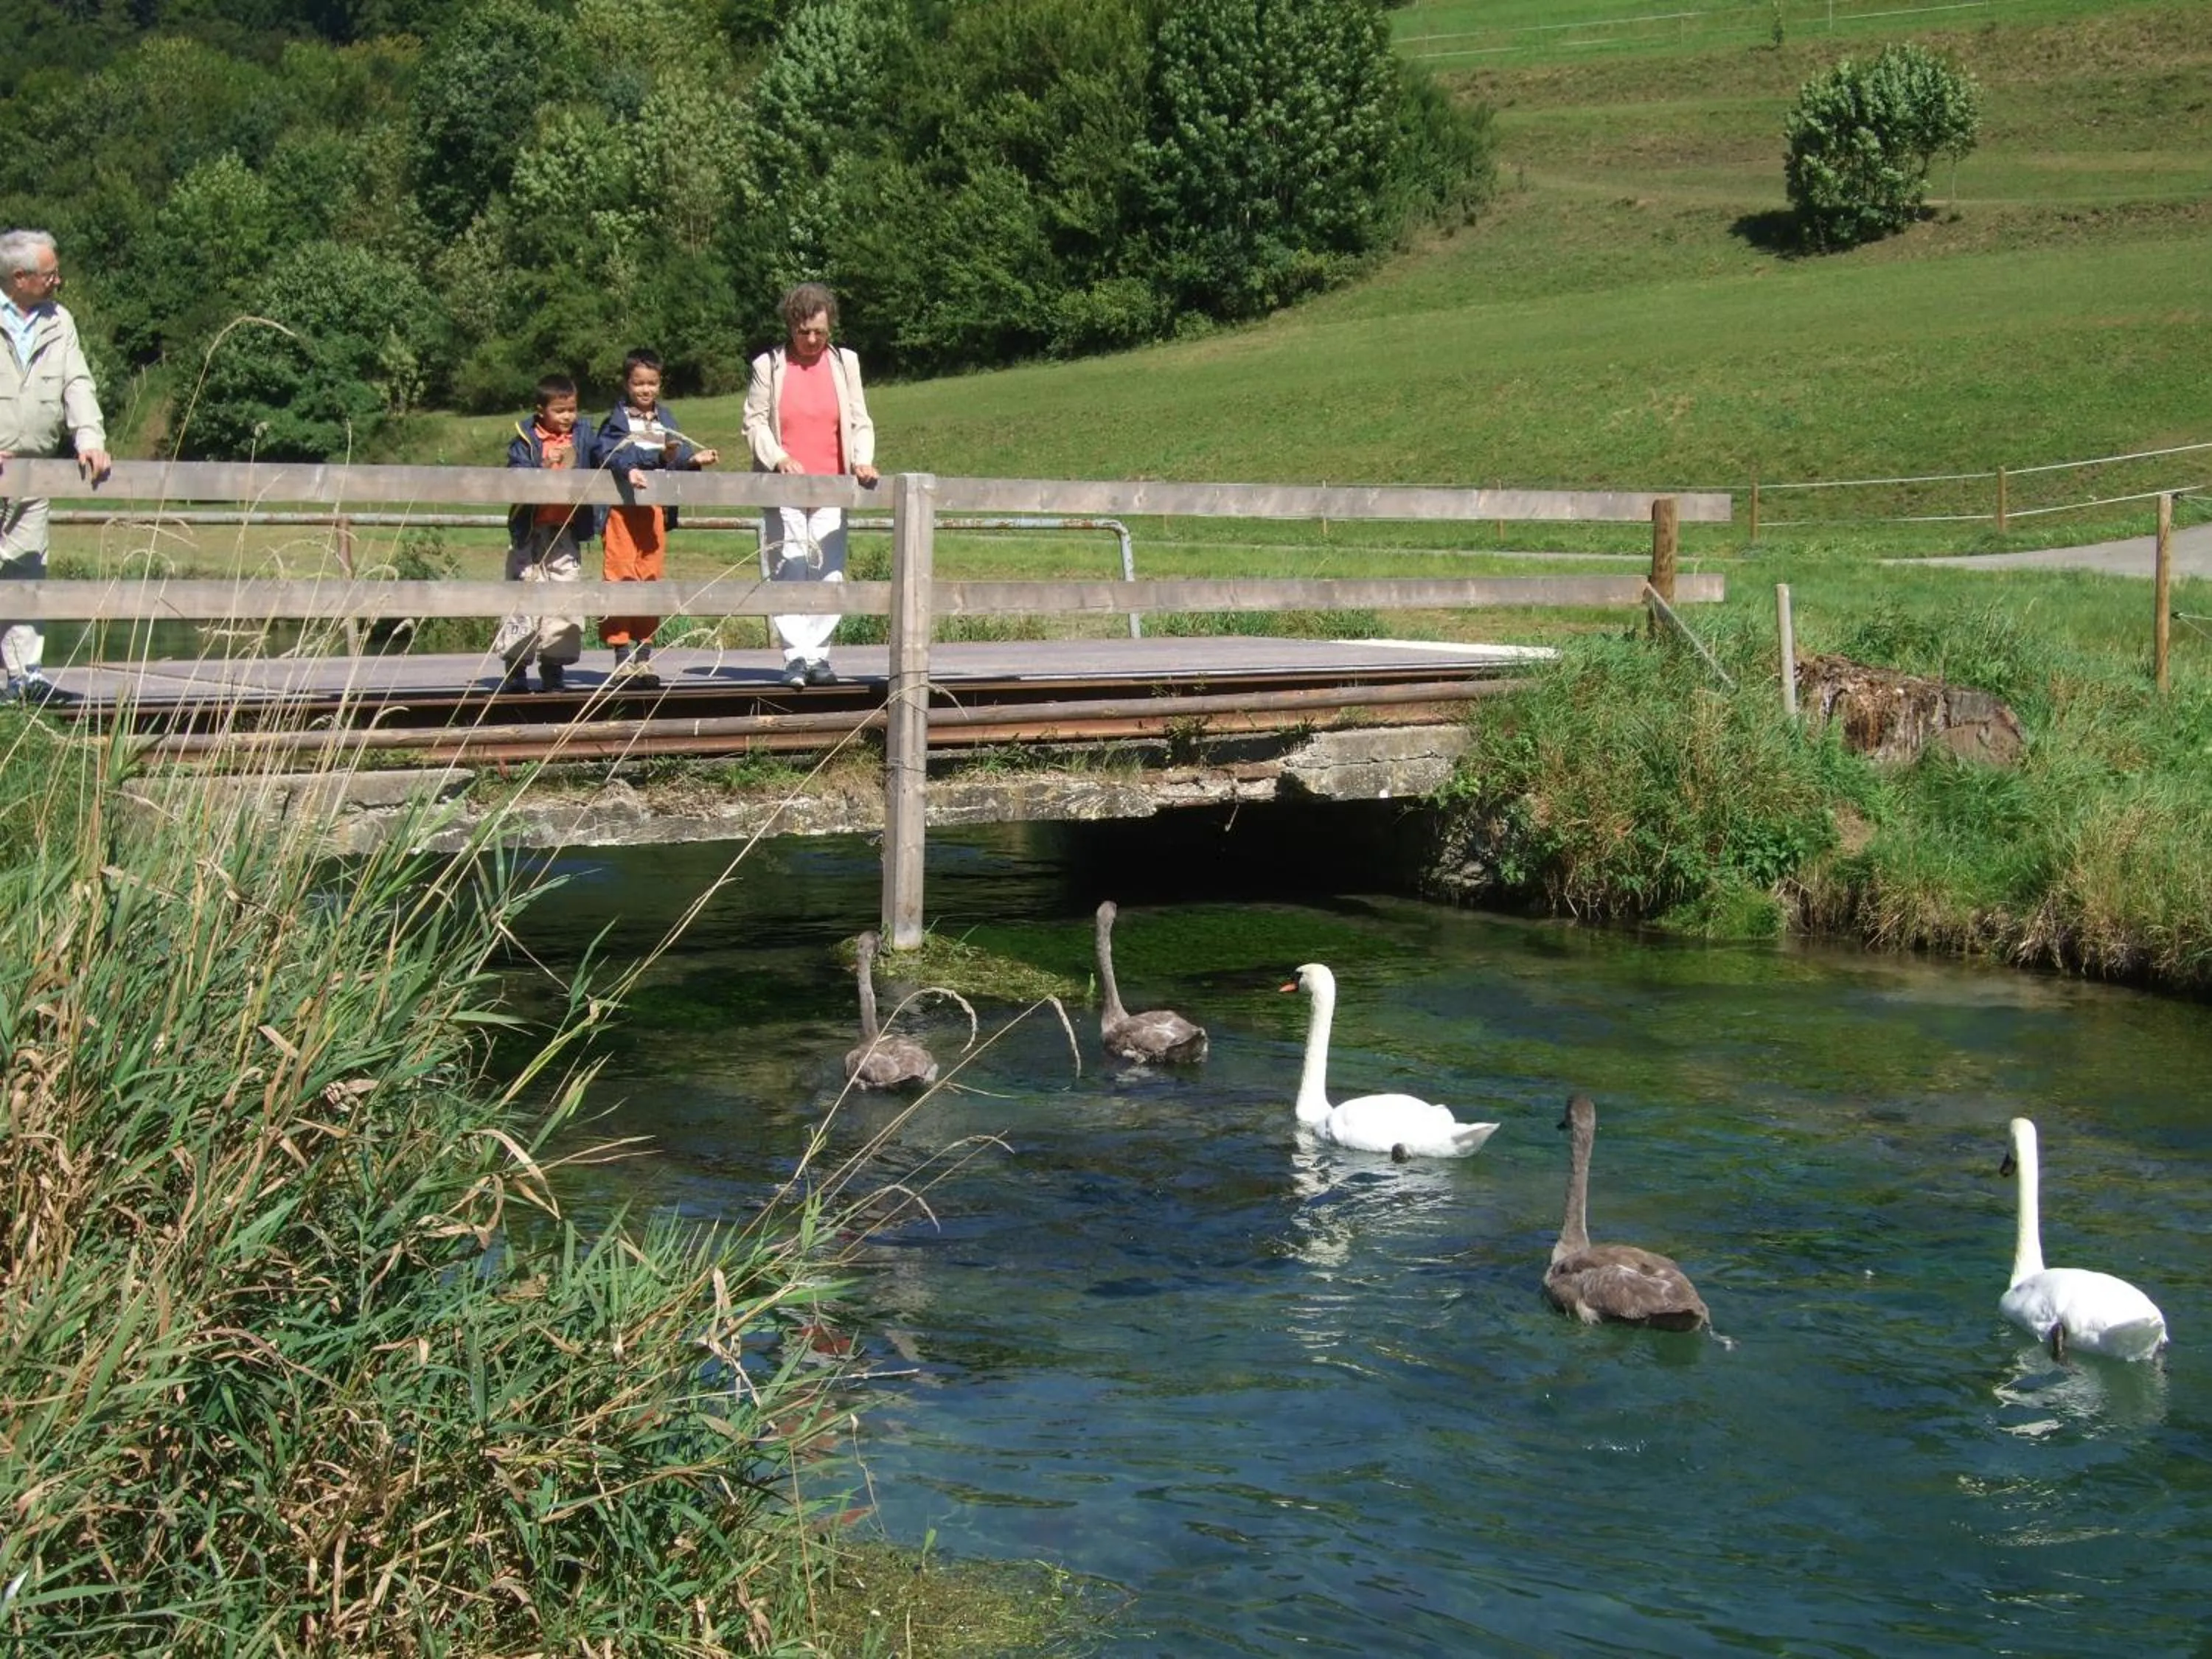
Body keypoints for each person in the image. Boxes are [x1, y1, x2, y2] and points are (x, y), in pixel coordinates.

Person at [742, 282, 877, 689]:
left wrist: (862, 459)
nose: (813, 340)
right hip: (784, 483)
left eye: (820, 331)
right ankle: (795, 656)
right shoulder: (768, 365)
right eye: (804, 332)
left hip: (832, 482)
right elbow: (754, 422)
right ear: (790, 327)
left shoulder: (845, 362)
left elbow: (859, 420)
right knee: (790, 565)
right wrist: (778, 457)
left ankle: (818, 655)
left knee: (827, 570)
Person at [0, 229, 110, 705]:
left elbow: (77, 383)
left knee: (26, 571)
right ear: (19, 277)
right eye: (49, 274)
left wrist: (90, 438)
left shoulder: (59, 321)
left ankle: (24, 679)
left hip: (34, 472)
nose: (58, 281)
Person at [590, 348, 717, 689]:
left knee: (650, 577)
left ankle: (644, 657)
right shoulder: (617, 421)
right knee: (620, 576)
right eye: (639, 384)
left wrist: (692, 460)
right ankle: (621, 656)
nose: (645, 390)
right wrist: (640, 463)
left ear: (660, 384)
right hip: (622, 511)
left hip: (654, 512)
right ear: (627, 384)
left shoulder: (666, 419)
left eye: (652, 383)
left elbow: (674, 458)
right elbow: (609, 453)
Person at [490, 372, 593, 694]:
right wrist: (543, 468)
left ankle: (554, 666)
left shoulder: (584, 437)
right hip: (530, 529)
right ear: (541, 411)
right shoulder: (526, 441)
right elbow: (516, 475)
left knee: (565, 594)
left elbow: (607, 456)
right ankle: (516, 667)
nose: (567, 417)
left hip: (565, 528)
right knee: (523, 592)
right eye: (559, 411)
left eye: (571, 410)